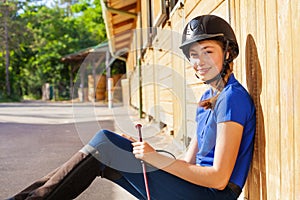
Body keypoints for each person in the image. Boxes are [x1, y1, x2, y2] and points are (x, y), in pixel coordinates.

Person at [8, 14, 256, 200]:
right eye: (193, 54)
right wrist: (139, 151)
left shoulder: (232, 99)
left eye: (207, 51)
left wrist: (154, 158)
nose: (199, 62)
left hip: (211, 195)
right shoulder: (208, 98)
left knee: (105, 143)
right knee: (107, 148)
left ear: (228, 52)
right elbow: (188, 160)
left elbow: (219, 178)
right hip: (196, 188)